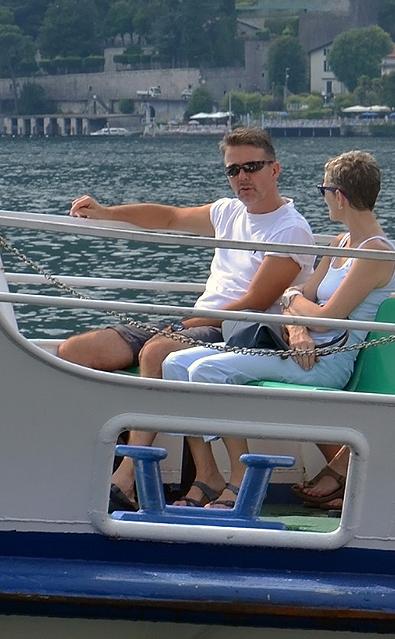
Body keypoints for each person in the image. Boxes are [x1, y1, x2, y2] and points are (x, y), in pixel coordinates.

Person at [59, 127, 315, 511]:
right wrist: (106, 213)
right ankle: (88, 465)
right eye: (233, 170)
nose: (242, 177)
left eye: (252, 167)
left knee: (157, 352)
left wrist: (186, 323)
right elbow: (168, 217)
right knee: (75, 350)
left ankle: (127, 476)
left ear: (275, 169)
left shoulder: (290, 228)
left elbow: (254, 303)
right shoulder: (228, 212)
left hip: (239, 328)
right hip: (197, 320)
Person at [163, 150, 395, 509]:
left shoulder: (375, 253)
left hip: (325, 361)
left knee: (208, 369)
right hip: (297, 348)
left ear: (340, 196)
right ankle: (207, 475)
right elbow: (300, 297)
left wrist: (297, 309)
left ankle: (240, 481)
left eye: (324, 190)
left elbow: (325, 315)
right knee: (176, 365)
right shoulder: (340, 244)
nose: (324, 199)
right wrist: (298, 318)